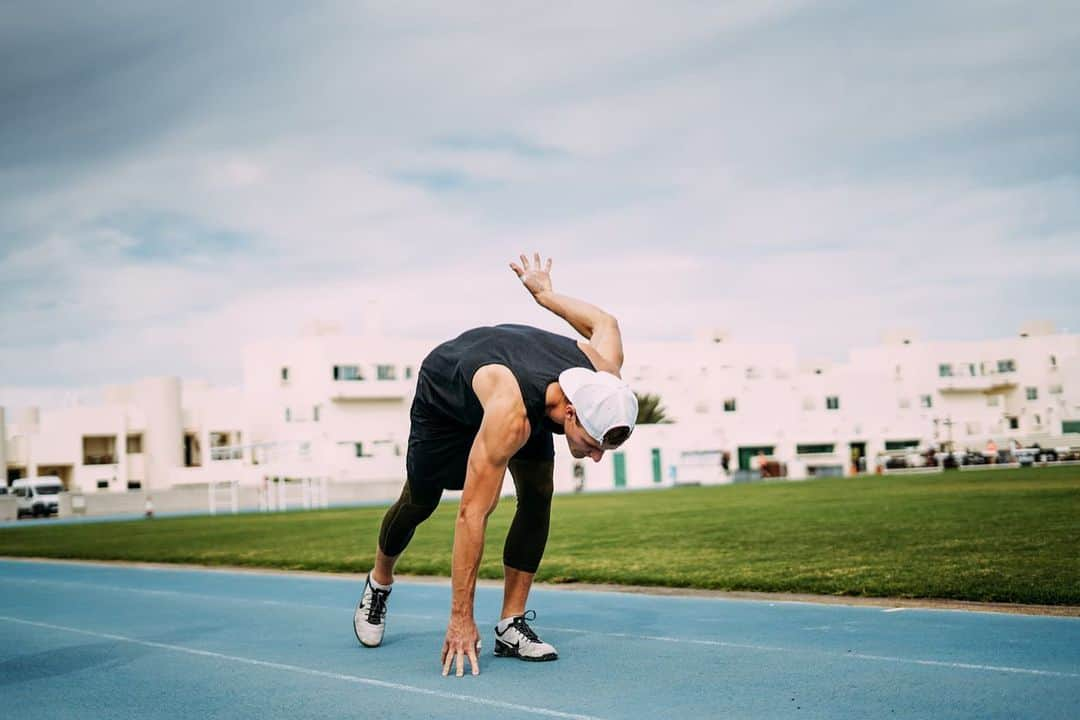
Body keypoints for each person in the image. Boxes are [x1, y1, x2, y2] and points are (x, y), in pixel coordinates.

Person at [353, 253, 638, 678]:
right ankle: (378, 583)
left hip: (530, 388)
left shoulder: (603, 374)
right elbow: (472, 514)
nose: (595, 457)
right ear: (573, 414)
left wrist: (546, 295)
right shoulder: (512, 414)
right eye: (594, 446)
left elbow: (606, 324)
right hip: (447, 397)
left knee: (539, 493)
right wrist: (460, 618)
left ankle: (511, 623)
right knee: (421, 500)